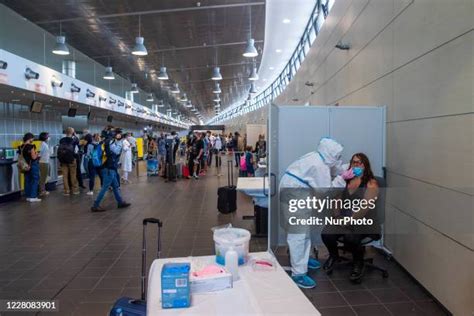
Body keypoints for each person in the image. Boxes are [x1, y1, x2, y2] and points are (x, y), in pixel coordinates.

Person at [279, 138, 346, 289]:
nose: (339, 159)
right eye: (337, 156)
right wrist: (342, 179)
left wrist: (345, 171)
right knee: (298, 233)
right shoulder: (319, 165)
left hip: (296, 189)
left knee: (304, 228)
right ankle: (298, 273)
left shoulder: (318, 156)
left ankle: (305, 259)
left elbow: (335, 167)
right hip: (294, 193)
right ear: (330, 154)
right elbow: (326, 190)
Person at [321, 153, 379, 281]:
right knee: (326, 233)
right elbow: (336, 200)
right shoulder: (346, 181)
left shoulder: (371, 183)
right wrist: (337, 217)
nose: (356, 165)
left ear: (365, 165)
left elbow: (365, 207)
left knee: (350, 236)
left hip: (364, 222)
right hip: (345, 220)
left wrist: (350, 221)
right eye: (354, 162)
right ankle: (334, 256)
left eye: (360, 162)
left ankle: (358, 263)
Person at [91, 128, 131, 212]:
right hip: (108, 168)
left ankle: (120, 202)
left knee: (115, 186)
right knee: (105, 187)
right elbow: (116, 151)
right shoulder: (109, 142)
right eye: (117, 133)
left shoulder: (106, 141)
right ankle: (95, 205)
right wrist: (121, 142)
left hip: (109, 167)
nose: (119, 135)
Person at [20, 133, 41, 202]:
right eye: (32, 138)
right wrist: (37, 154)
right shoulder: (31, 146)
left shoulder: (21, 146)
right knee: (35, 180)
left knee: (27, 180)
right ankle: (33, 196)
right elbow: (33, 157)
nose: (33, 140)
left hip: (25, 165)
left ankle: (28, 196)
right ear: (30, 138)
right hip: (33, 164)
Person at [58, 127, 80, 196]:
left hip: (63, 160)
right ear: (72, 132)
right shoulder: (74, 140)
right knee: (73, 175)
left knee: (65, 176)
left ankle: (66, 191)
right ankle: (74, 190)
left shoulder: (61, 140)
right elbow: (77, 147)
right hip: (71, 159)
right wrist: (75, 136)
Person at [38, 132, 51, 197]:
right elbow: (39, 154)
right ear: (44, 137)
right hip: (43, 162)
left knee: (44, 177)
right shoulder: (42, 144)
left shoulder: (44, 144)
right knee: (43, 177)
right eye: (48, 136)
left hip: (45, 161)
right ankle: (42, 191)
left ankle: (43, 190)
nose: (49, 137)